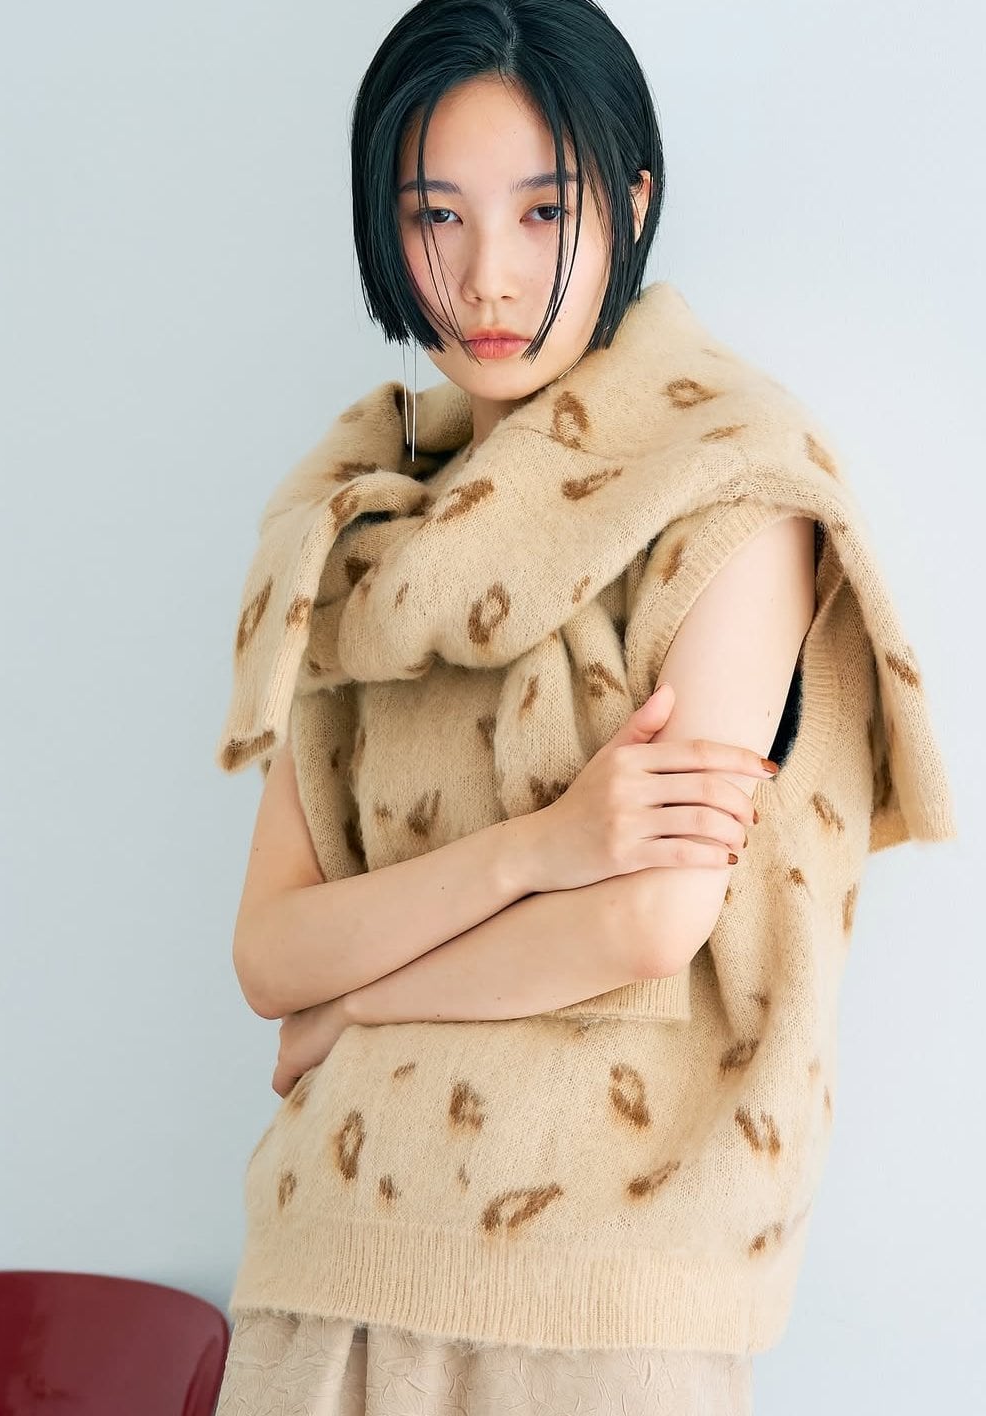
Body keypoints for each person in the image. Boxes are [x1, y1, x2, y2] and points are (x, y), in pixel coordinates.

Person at [211, 2, 954, 1413]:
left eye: (543, 212)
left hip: (600, 1300)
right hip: (323, 1265)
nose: (487, 275)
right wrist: (540, 849)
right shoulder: (352, 528)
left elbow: (647, 922)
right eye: (435, 216)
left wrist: (349, 1010)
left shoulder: (731, 483)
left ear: (632, 204)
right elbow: (268, 952)